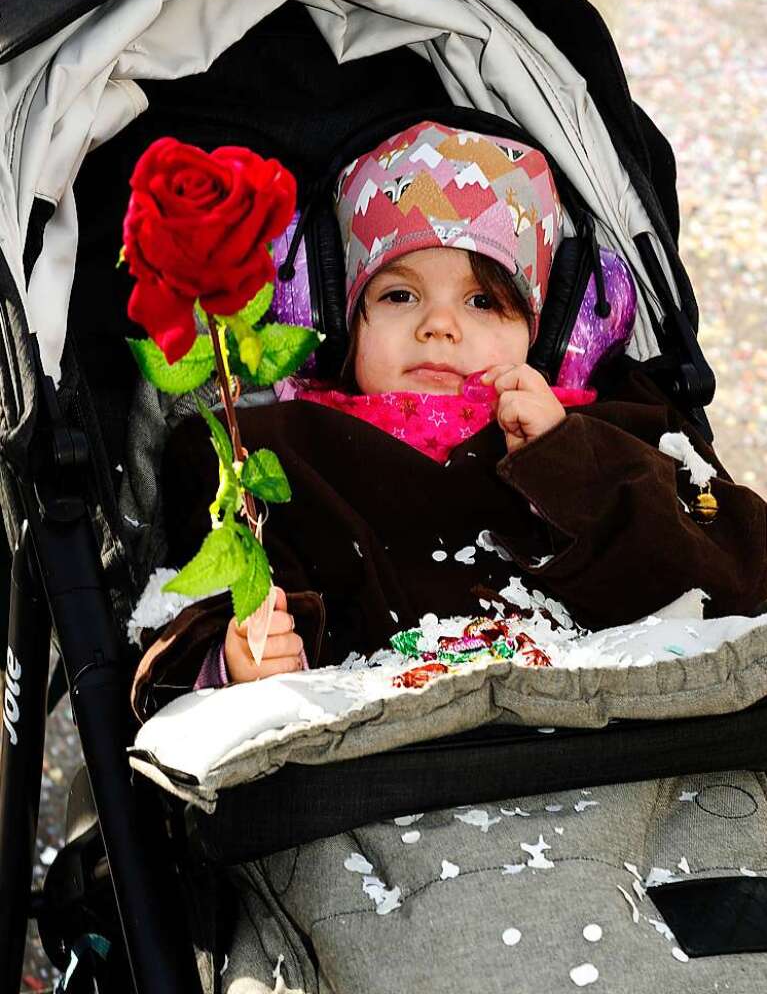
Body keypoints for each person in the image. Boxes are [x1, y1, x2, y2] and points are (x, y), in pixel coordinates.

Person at [133, 120, 767, 716]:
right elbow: (190, 620)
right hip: (385, 775)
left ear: (547, 336)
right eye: (399, 294)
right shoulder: (277, 455)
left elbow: (734, 576)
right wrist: (237, 661)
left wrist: (568, 462)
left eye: (483, 300)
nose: (439, 325)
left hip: (599, 748)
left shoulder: (610, 432)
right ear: (335, 319)